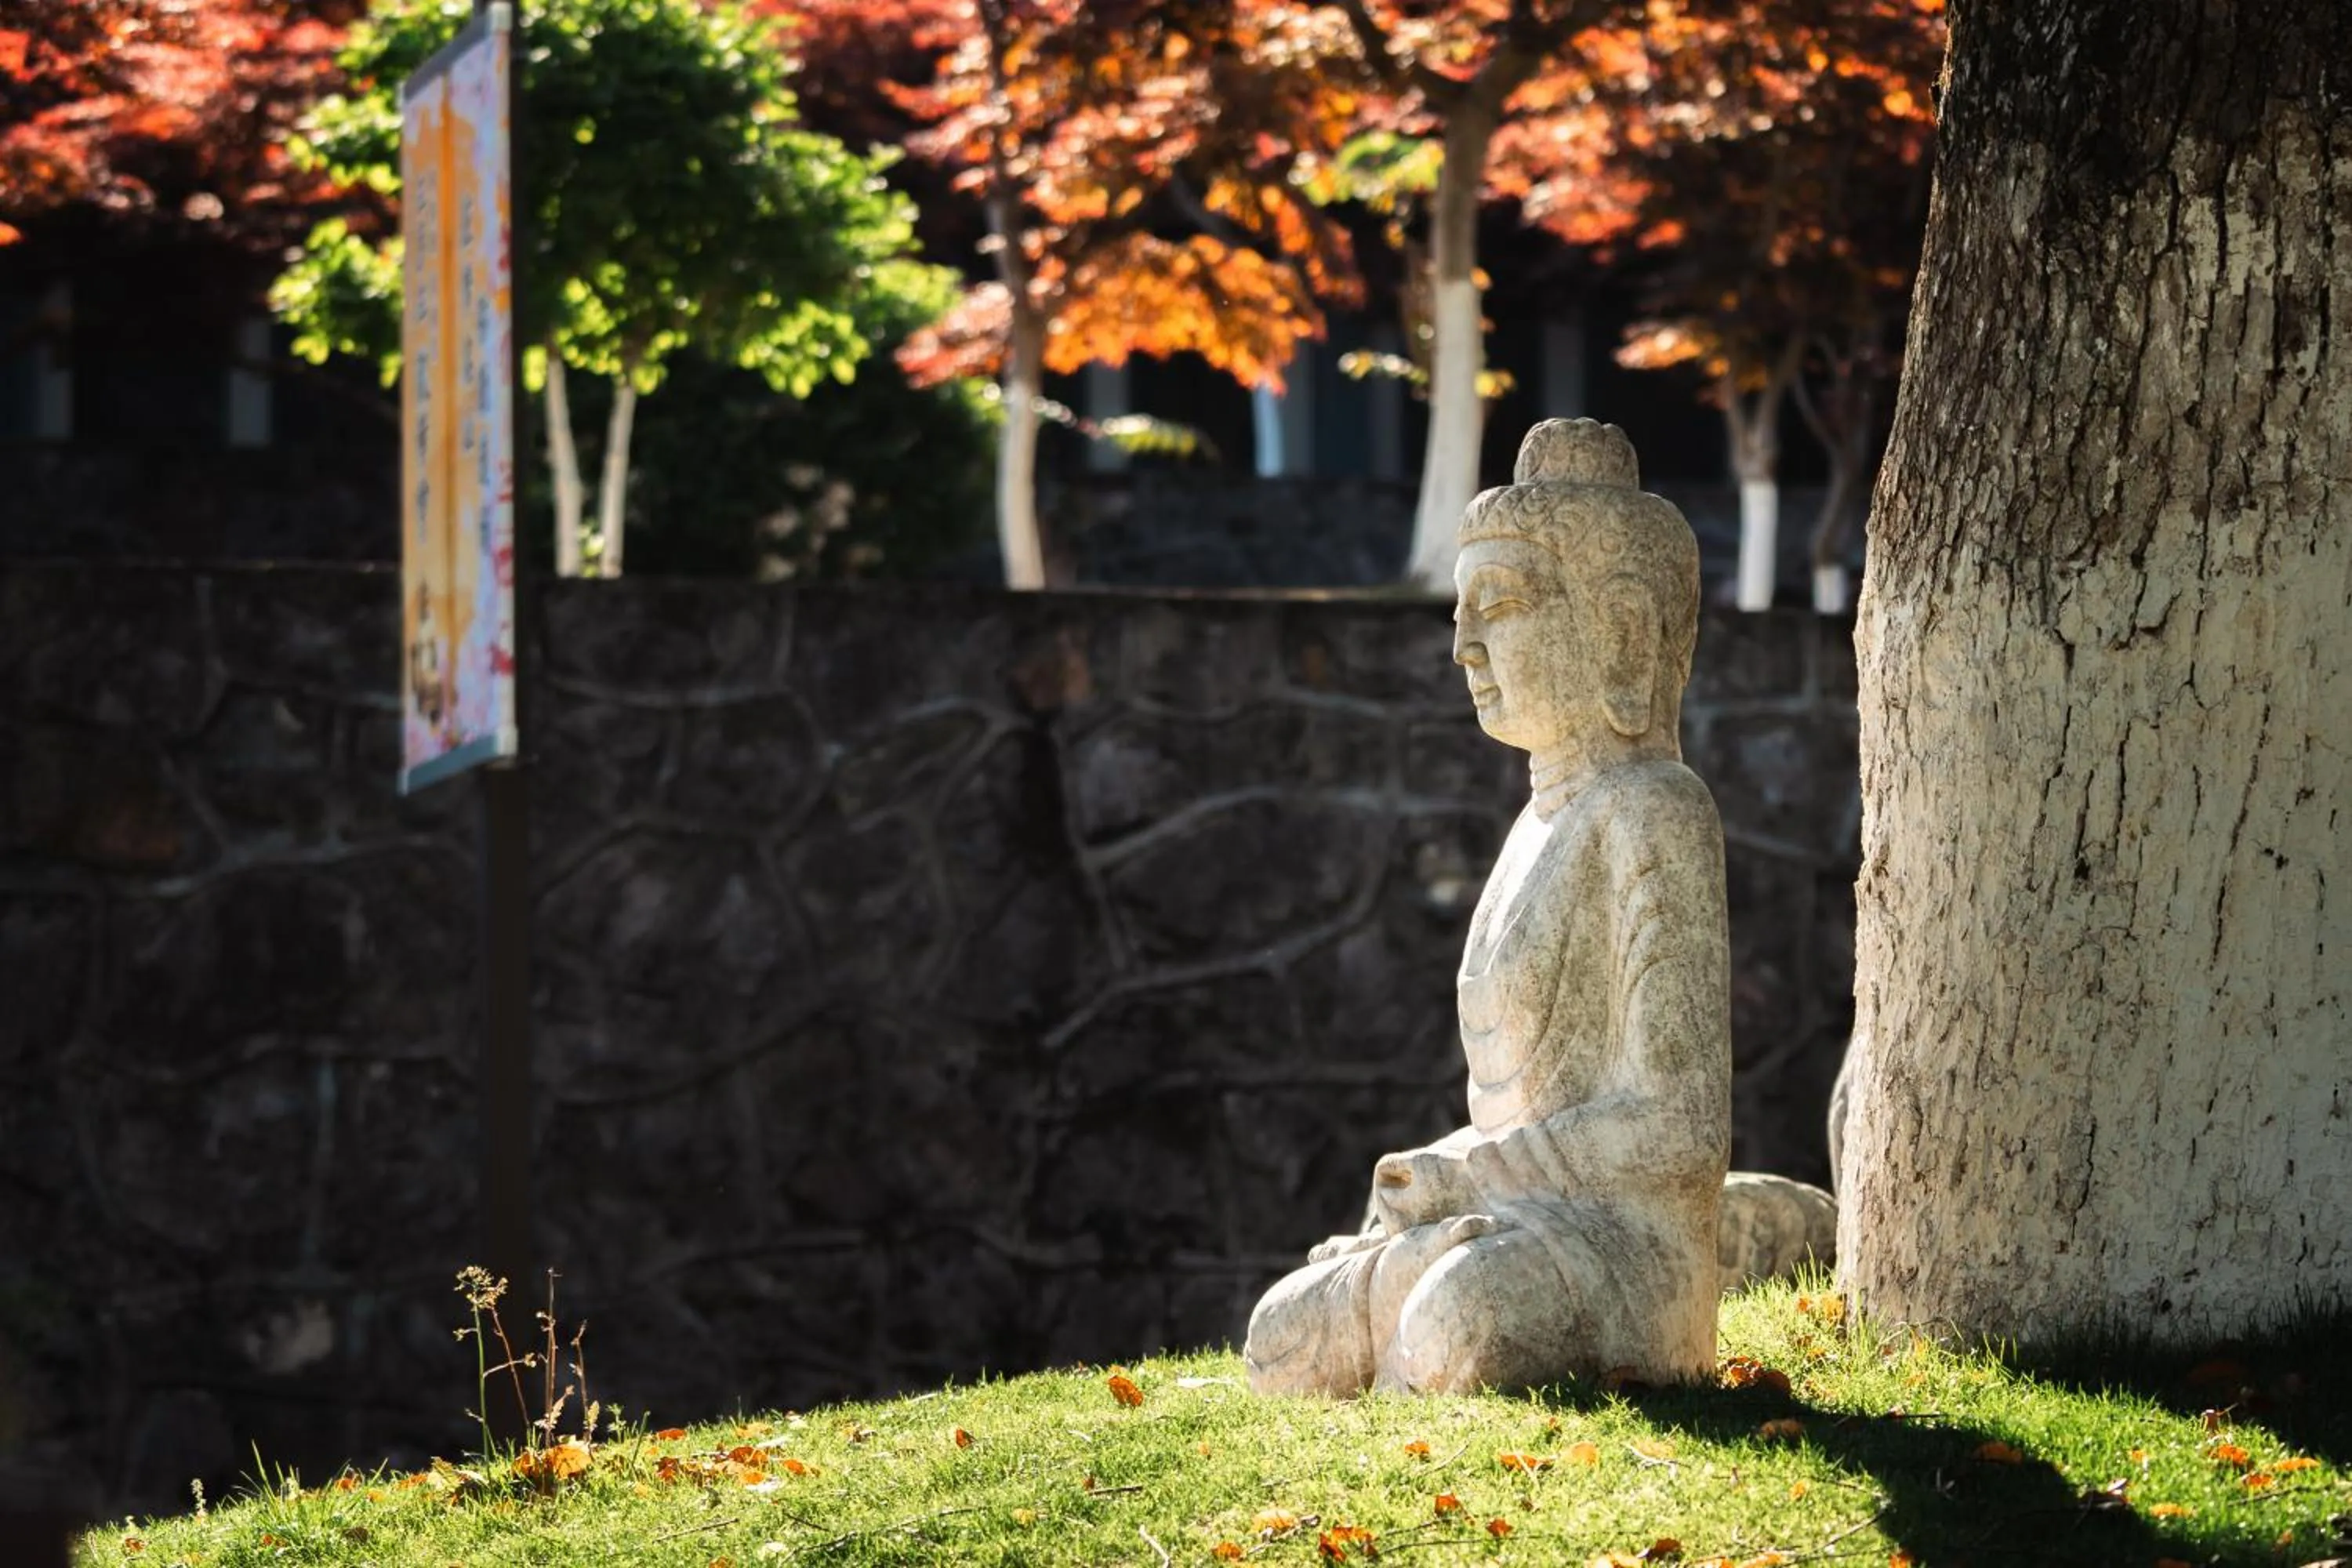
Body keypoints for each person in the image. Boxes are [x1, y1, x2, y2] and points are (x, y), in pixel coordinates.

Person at [1243, 419, 1733, 1396]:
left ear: (1623, 629)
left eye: (1499, 606)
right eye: (1461, 613)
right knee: (1281, 1331)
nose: (1464, 646)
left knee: (1460, 1316)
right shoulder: (1535, 824)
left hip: (1624, 1247)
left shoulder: (1655, 809)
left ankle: (1419, 1353)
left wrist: (1476, 1175)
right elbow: (1516, 1111)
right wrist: (1436, 1177)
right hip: (1514, 1215)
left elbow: (1680, 1124)